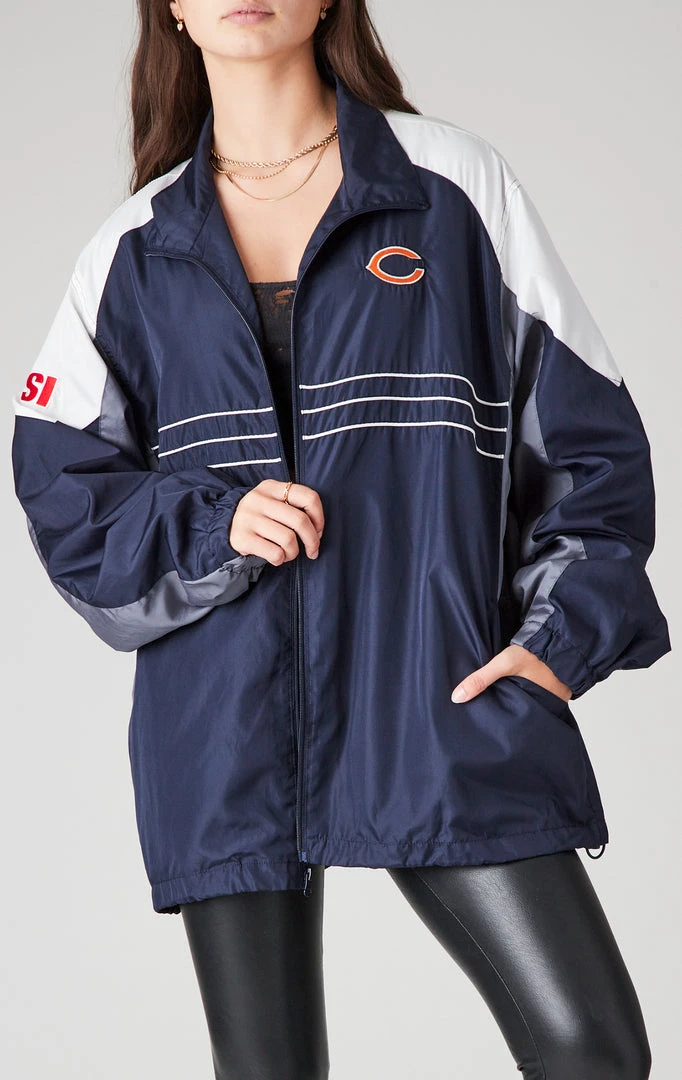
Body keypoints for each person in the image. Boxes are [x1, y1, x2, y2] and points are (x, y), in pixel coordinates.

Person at [10, 1, 671, 1077]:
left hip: (437, 689)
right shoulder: (132, 248)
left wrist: (557, 642)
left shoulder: (452, 188)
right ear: (171, 7)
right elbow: (61, 487)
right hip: (223, 724)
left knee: (589, 1047)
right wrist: (215, 525)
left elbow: (589, 437)